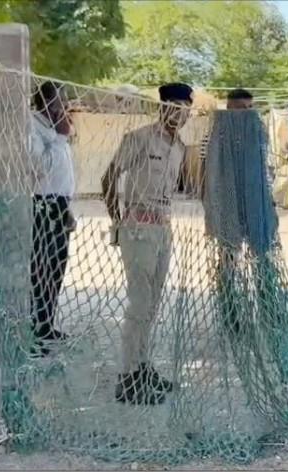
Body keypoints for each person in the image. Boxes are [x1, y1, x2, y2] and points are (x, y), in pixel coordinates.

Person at [101, 83, 193, 405]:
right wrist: (118, 221)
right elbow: (108, 178)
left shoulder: (180, 147)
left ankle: (142, 367)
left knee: (152, 305)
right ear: (162, 107)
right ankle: (127, 378)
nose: (179, 114)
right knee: (139, 305)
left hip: (163, 229)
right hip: (138, 228)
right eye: (173, 107)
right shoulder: (139, 138)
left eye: (185, 109)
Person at [29, 81, 77, 354]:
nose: (65, 105)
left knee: (56, 269)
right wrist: (59, 138)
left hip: (60, 204)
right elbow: (40, 167)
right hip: (41, 205)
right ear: (45, 102)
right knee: (40, 270)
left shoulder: (56, 127)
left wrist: (67, 208)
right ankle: (33, 333)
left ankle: (46, 325)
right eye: (61, 100)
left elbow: (63, 173)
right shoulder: (32, 127)